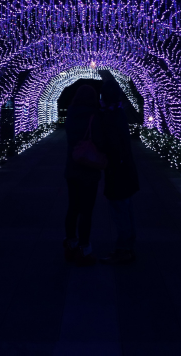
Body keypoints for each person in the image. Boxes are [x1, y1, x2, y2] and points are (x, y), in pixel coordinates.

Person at [99, 82, 139, 264]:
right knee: (127, 209)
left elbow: (112, 146)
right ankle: (128, 246)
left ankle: (124, 249)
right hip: (126, 170)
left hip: (118, 172)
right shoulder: (120, 115)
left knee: (121, 210)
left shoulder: (110, 117)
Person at [63, 84, 103, 266]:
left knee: (73, 208)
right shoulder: (94, 117)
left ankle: (70, 244)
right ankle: (84, 249)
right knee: (86, 211)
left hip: (72, 168)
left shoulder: (70, 115)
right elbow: (100, 140)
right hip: (89, 170)